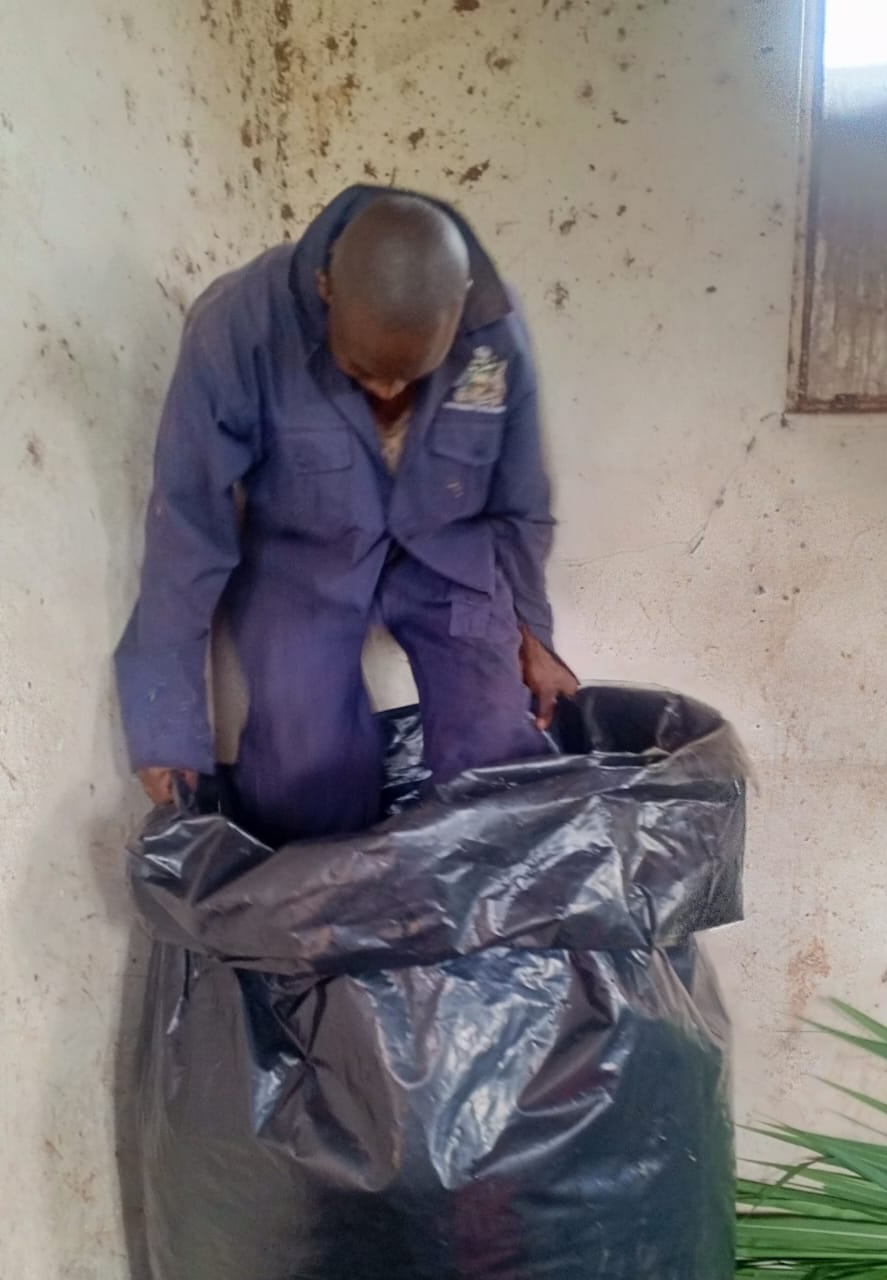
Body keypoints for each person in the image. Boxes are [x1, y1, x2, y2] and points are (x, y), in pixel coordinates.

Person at [115, 183, 577, 842]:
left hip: (450, 558)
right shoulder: (241, 324)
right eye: (363, 371)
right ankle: (331, 936)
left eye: (411, 377)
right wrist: (164, 720)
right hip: (307, 560)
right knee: (305, 769)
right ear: (327, 289)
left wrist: (536, 630)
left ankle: (485, 938)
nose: (389, 392)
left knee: (497, 752)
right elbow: (186, 524)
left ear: (458, 310)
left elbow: (521, 495)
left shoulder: (492, 330)